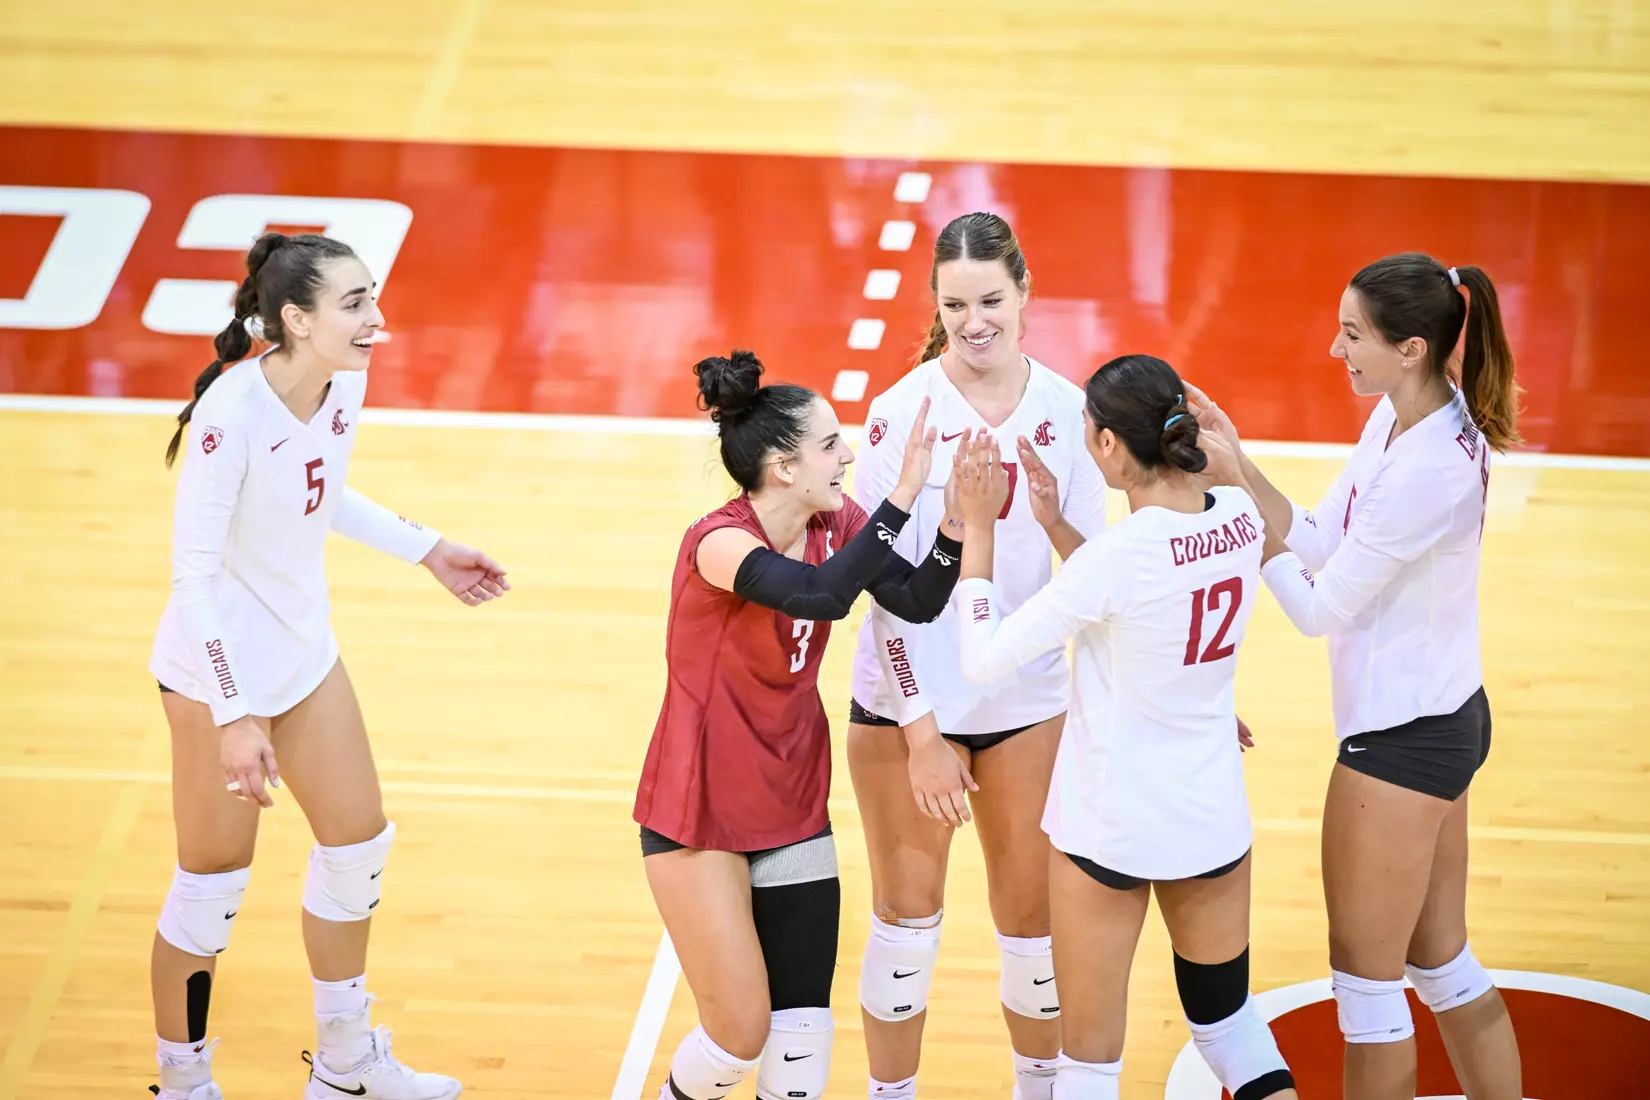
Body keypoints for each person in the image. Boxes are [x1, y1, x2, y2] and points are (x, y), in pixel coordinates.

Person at [149, 233, 509, 1100]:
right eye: (354, 304)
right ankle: (184, 1084)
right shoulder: (227, 417)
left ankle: (347, 1065)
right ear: (296, 320)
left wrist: (427, 548)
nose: (376, 320)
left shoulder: (343, 380)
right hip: (214, 675)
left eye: (372, 298)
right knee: (211, 892)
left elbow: (320, 488)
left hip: (303, 655)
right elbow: (192, 578)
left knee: (357, 850)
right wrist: (233, 716)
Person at [1190, 252, 1523, 1099]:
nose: (1336, 350)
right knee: (1439, 960)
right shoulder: (1404, 420)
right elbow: (1318, 536)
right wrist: (1239, 467)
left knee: (1368, 989)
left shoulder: (1430, 469)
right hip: (1444, 719)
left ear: (1411, 347)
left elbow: (1315, 607)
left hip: (1402, 745)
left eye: (1353, 334)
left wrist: (1232, 513)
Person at [950, 354, 1297, 1100]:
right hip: (1210, 817)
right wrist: (1054, 522)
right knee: (1229, 1025)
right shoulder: (1240, 518)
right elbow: (1139, 592)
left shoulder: (1116, 560)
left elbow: (982, 660)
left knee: (1090, 1065)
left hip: (1111, 822)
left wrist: (978, 531)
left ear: (1109, 446)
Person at [633, 350, 973, 1100]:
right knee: (738, 1034)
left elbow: (912, 601)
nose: (846, 454)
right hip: (700, 806)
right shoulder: (718, 543)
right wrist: (906, 493)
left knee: (801, 1038)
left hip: (790, 794)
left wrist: (951, 527)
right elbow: (819, 595)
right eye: (828, 444)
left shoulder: (836, 519)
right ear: (784, 467)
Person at [846, 212, 1107, 1100]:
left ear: (1026, 293)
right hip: (906, 707)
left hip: (1026, 702)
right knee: (906, 928)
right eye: (954, 304)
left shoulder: (1071, 414)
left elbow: (1097, 572)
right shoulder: (896, 417)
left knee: (1033, 931)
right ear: (936, 303)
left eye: (991, 299)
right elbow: (880, 590)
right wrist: (922, 733)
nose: (974, 321)